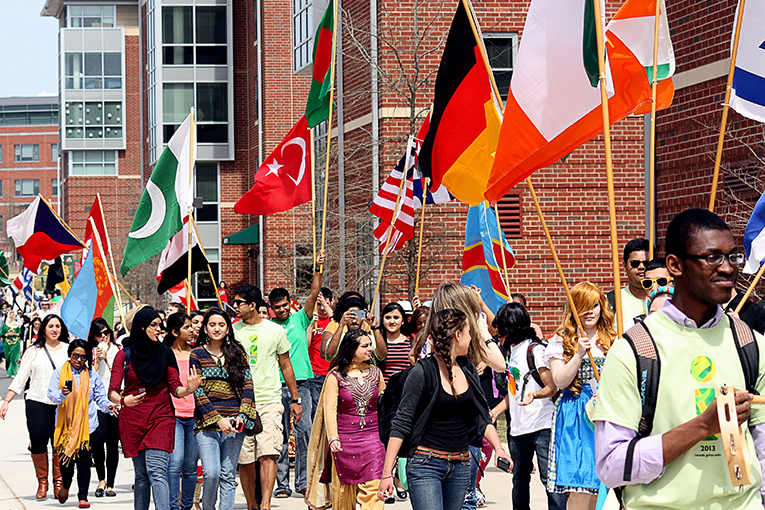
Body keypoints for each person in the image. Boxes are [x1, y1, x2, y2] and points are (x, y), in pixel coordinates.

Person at [595, 208, 765, 509]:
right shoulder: (634, 351)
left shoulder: (750, 344)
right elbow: (611, 465)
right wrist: (701, 426)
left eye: (732, 256)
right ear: (675, 265)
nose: (727, 268)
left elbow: (762, 446)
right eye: (712, 257)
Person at [378, 309, 512, 510]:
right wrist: (387, 473)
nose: (471, 338)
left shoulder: (468, 368)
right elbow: (401, 423)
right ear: (458, 335)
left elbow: (481, 415)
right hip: (425, 464)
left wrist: (499, 449)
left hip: (461, 465)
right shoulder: (422, 372)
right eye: (469, 333)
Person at [108, 307, 201, 510]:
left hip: (161, 416)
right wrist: (124, 401)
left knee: (157, 471)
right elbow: (112, 391)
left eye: (160, 325)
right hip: (132, 419)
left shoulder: (165, 353)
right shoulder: (125, 355)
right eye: (154, 325)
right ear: (142, 327)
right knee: (141, 477)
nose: (159, 329)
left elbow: (175, 388)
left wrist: (189, 389)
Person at [232, 284, 303, 510]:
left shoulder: (275, 331)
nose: (235, 307)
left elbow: (286, 365)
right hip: (240, 403)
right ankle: (252, 505)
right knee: (245, 459)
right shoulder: (232, 331)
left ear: (252, 305)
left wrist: (295, 399)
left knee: (268, 453)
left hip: (270, 400)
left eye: (239, 303)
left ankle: (265, 505)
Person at [490, 303, 566, 510]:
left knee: (550, 482)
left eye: (503, 328)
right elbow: (515, 394)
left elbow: (552, 386)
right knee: (520, 482)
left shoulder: (536, 350)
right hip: (518, 430)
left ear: (513, 327)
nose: (499, 333)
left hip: (542, 427)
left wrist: (535, 395)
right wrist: (495, 412)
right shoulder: (510, 352)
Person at [545, 282, 614, 509]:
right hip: (575, 414)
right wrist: (579, 354)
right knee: (580, 486)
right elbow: (559, 381)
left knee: (599, 486)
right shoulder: (561, 340)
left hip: (606, 413)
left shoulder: (612, 338)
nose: (591, 311)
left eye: (595, 305)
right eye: (584, 306)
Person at [306, 329, 386, 510]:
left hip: (373, 438)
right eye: (365, 346)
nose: (370, 349)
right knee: (342, 493)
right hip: (344, 441)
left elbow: (384, 406)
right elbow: (330, 410)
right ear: (351, 349)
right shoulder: (336, 376)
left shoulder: (376, 373)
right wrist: (333, 437)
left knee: (374, 491)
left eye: (370, 345)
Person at [191, 308, 259, 510]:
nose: (217, 328)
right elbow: (197, 392)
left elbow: (248, 386)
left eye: (221, 324)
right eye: (212, 324)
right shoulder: (197, 354)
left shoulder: (238, 353)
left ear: (228, 328)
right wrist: (217, 419)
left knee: (228, 473)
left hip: (235, 422)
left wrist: (242, 416)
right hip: (206, 424)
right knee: (211, 472)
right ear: (205, 328)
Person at [270, 250, 324, 498]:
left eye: (284, 306)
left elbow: (314, 293)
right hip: (276, 385)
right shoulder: (269, 328)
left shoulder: (301, 318)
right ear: (271, 308)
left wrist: (318, 269)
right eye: (276, 307)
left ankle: (303, 481)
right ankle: (282, 485)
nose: (281, 310)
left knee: (304, 433)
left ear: (290, 303)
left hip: (302, 385)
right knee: (279, 437)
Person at [1, 314, 69, 499]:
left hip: (62, 404)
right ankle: (42, 482)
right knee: (38, 441)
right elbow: (21, 377)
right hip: (37, 401)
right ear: (43, 329)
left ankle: (58, 482)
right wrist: (6, 400)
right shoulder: (33, 351)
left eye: (57, 326)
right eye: (50, 326)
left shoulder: (69, 350)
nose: (54, 329)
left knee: (59, 445)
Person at [47, 339, 116, 507]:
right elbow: (51, 395)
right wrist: (62, 393)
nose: (78, 360)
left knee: (84, 463)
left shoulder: (92, 374)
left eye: (83, 357)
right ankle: (65, 485)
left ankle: (83, 496)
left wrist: (108, 405)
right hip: (66, 427)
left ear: (88, 359)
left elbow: (100, 396)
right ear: (70, 354)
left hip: (87, 426)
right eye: (75, 355)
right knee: (66, 463)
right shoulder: (59, 373)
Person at [164, 313, 198, 510]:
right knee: (175, 463)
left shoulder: (197, 353)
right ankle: (172, 506)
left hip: (195, 414)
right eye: (187, 327)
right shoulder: (166, 354)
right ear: (175, 332)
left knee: (191, 466)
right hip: (173, 415)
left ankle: (186, 506)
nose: (191, 330)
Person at [89, 319, 120, 498]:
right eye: (100, 334)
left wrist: (107, 357)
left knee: (112, 443)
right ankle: (101, 479)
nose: (104, 337)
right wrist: (98, 360)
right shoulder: (90, 352)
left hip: (114, 401)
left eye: (106, 333)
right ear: (94, 336)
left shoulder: (118, 350)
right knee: (98, 441)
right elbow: (89, 377)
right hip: (97, 403)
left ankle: (111, 483)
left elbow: (118, 374)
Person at [322, 293, 383, 361]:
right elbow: (329, 354)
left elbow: (382, 354)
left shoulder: (369, 337)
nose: (354, 321)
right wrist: (341, 325)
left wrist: (375, 327)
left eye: (358, 315)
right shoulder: (340, 337)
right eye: (351, 315)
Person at [606, 238, 650, 327]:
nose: (641, 267)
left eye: (646, 263)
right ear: (625, 265)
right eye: (635, 263)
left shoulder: (667, 301)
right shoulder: (610, 301)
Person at [308, 288, 334, 420]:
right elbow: (306, 345)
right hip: (315, 373)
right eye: (319, 304)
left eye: (326, 303)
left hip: (332, 371)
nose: (323, 307)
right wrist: (310, 326)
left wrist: (324, 303)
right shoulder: (312, 321)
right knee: (316, 410)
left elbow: (337, 322)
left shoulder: (334, 321)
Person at [377, 302, 412, 384]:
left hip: (404, 390)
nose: (392, 321)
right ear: (383, 320)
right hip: (383, 391)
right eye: (388, 317)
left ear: (403, 320)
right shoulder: (377, 342)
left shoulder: (411, 342)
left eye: (396, 317)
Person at [1, 310, 22, 378]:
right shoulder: (5, 325)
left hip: (15, 344)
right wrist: (6, 334)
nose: (11, 316)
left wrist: (15, 334)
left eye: (13, 315)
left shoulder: (17, 325)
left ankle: (13, 372)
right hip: (7, 344)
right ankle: (8, 370)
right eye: (10, 315)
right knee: (8, 358)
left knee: (14, 358)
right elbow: (1, 333)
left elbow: (20, 333)